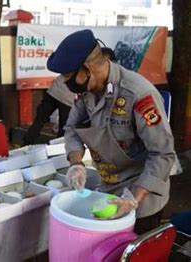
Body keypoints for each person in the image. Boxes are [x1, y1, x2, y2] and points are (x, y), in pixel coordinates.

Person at [47, 29, 175, 234]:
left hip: (142, 195)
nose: (66, 83)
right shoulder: (87, 92)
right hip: (108, 188)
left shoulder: (138, 94)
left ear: (86, 68)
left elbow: (163, 154)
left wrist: (132, 199)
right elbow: (71, 128)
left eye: (69, 76)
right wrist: (76, 163)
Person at [23, 47, 117, 146]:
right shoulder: (94, 69)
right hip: (66, 98)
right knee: (64, 128)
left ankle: (26, 144)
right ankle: (57, 150)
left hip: (54, 91)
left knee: (40, 120)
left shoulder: (83, 59)